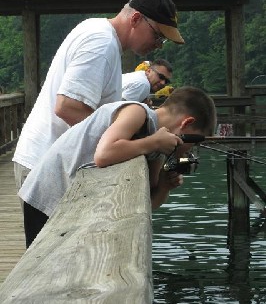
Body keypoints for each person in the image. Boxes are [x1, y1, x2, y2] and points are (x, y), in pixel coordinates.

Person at [13, 0, 184, 190]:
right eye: (158, 36)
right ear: (136, 19)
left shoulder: (98, 31)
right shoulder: (101, 43)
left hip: (48, 162)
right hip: (47, 167)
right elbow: (68, 107)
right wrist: (136, 143)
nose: (159, 46)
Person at [18, 86, 216, 248]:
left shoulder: (155, 143)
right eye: (194, 143)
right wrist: (153, 143)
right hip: (47, 194)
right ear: (187, 123)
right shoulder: (137, 112)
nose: (190, 151)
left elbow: (147, 203)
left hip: (69, 201)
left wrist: (164, 186)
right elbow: (103, 155)